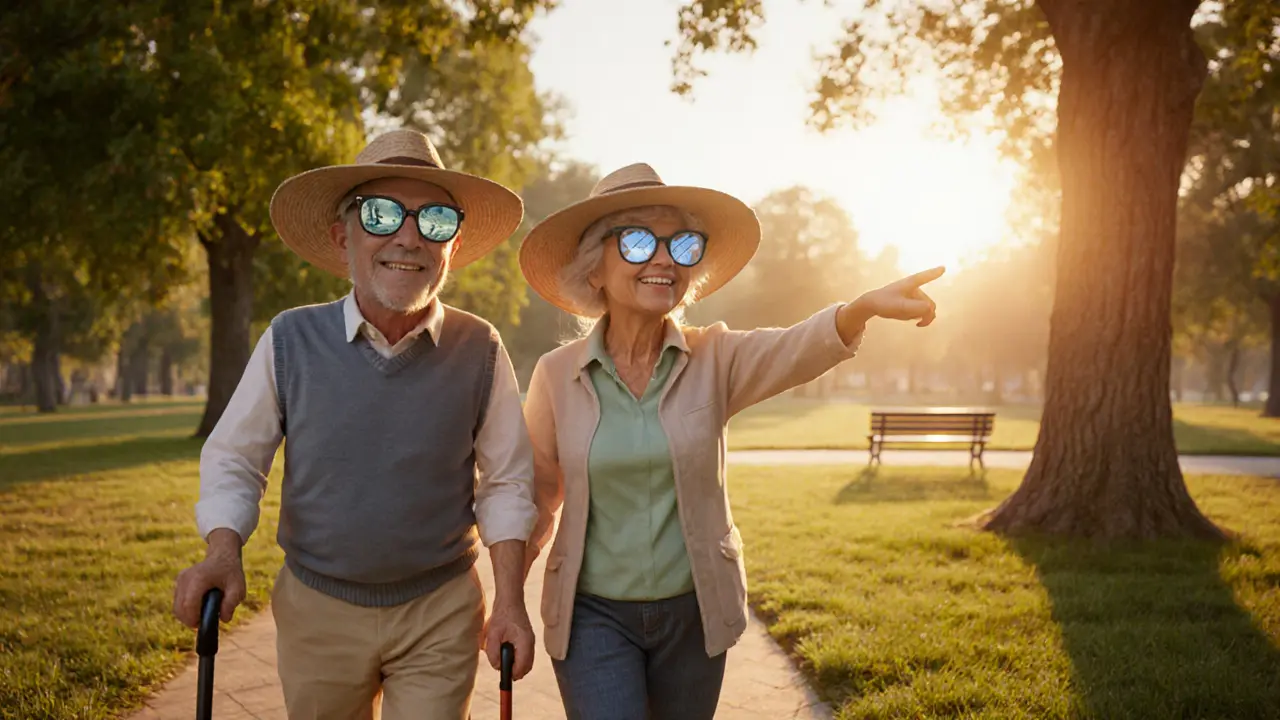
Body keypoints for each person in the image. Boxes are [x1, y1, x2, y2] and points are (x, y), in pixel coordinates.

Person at [517, 162, 942, 719]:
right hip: (593, 616)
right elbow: (536, 497)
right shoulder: (555, 375)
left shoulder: (716, 358)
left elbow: (795, 347)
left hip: (694, 613)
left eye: (682, 244)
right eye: (640, 241)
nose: (664, 258)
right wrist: (508, 602)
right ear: (595, 268)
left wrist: (859, 308)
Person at [171, 129, 538, 720]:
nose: (409, 236)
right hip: (317, 607)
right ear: (344, 238)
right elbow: (236, 458)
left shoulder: (481, 348)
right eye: (382, 213)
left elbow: (508, 484)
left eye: (435, 220)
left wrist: (511, 601)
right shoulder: (290, 338)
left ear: (454, 244)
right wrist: (223, 550)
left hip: (440, 608)